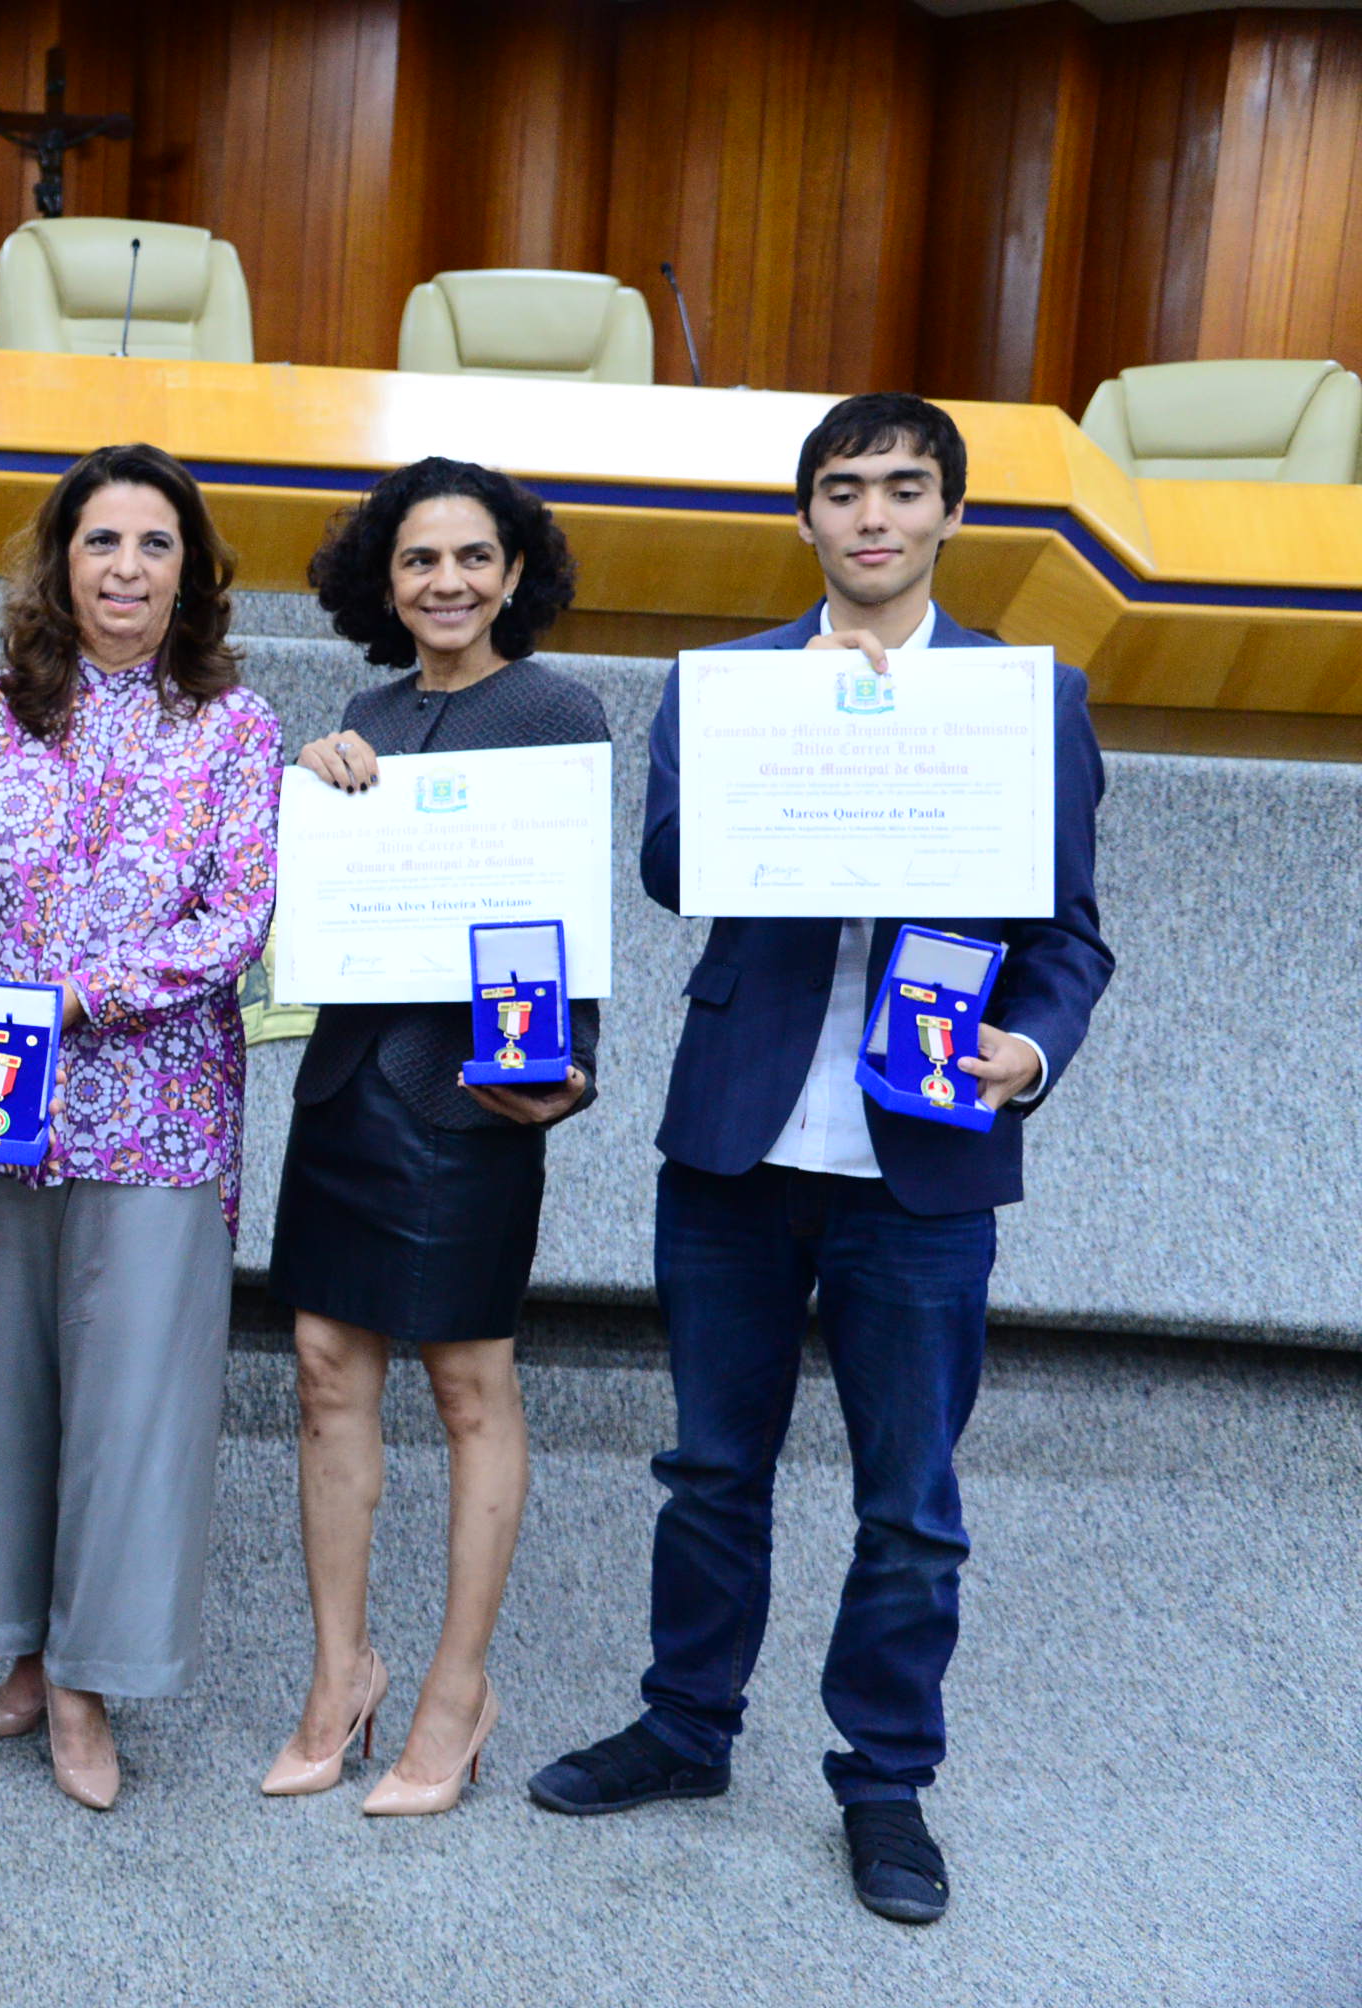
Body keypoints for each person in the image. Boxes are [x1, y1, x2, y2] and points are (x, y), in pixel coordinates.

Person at [528, 394, 1113, 1925]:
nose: (872, 516)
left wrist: (1031, 1050)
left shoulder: (1027, 700)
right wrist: (793, 730)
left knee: (910, 1504)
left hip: (923, 1166)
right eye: (843, 490)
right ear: (806, 519)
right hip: (738, 1149)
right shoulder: (730, 683)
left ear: (951, 516)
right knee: (709, 1471)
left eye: (904, 490)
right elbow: (672, 874)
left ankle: (887, 1784)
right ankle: (686, 1727)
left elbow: (1069, 940)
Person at [0, 443, 281, 1810]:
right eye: (100, 542)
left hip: (161, 1115)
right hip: (1, 1109)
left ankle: (88, 1683)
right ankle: (20, 1655)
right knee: (5, 1386)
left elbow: (240, 918)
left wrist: (84, 992)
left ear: (191, 572)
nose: (125, 568)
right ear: (59, 562)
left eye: (153, 544)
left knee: (133, 1404)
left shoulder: (234, 728)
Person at [261, 459, 606, 1813]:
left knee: (469, 1385)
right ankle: (338, 1674)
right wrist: (309, 787)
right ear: (384, 578)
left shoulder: (557, 710)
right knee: (323, 1370)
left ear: (514, 573)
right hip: (346, 1085)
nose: (446, 582)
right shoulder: (364, 714)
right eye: (419, 559)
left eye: (472, 558)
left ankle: (458, 1693)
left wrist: (576, 1062)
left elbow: (570, 904)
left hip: (474, 1089)